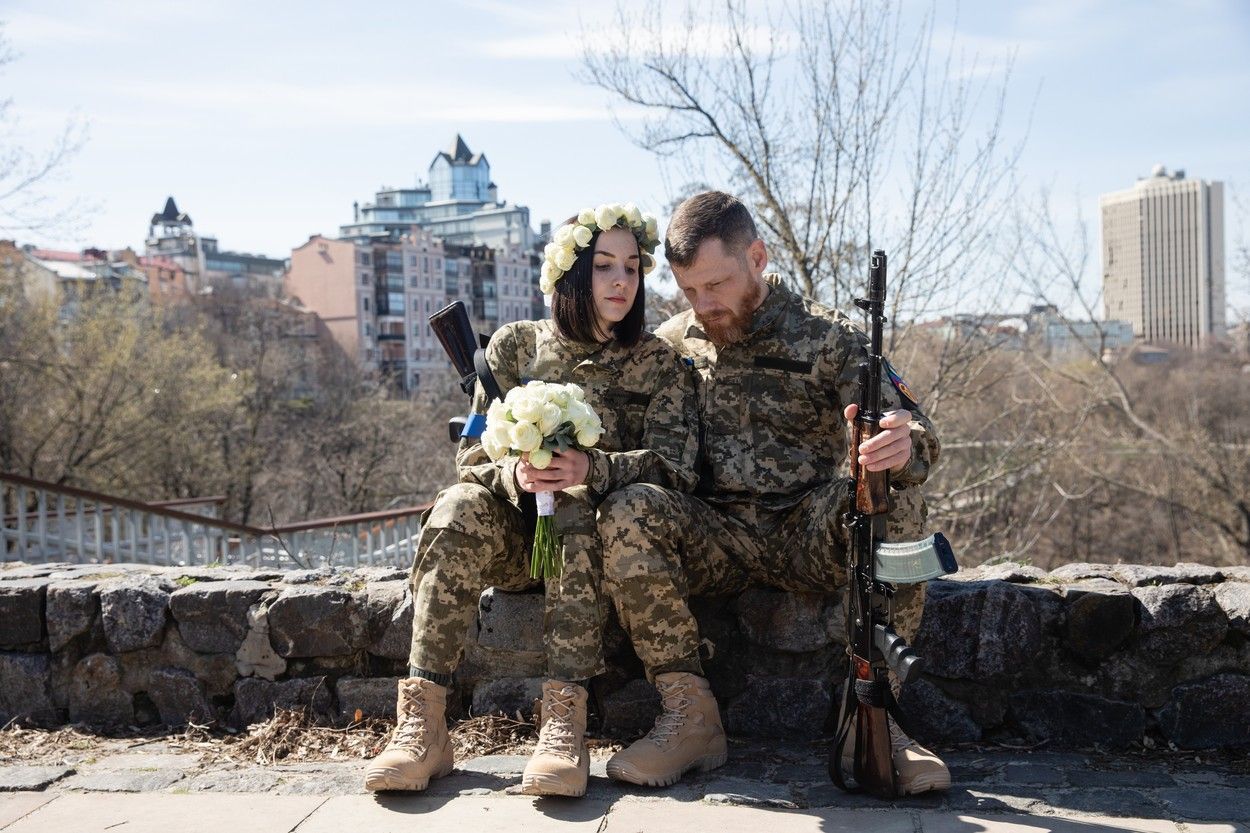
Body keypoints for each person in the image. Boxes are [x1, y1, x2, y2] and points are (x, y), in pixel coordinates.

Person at [597, 191, 950, 795]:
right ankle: (689, 717)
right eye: (688, 291)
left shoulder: (829, 336)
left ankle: (876, 712)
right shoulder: (674, 343)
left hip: (806, 528)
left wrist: (904, 444)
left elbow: (917, 428)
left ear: (756, 257)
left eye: (716, 284)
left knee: (892, 496)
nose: (704, 305)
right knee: (627, 509)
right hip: (713, 532)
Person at [363, 203, 699, 798]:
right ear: (571, 274)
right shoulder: (514, 350)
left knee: (570, 501)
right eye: (602, 267)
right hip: (520, 541)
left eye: (631, 267)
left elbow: (677, 468)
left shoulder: (660, 364)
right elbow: (470, 459)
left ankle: (563, 726)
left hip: (599, 545)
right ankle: (423, 724)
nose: (622, 280)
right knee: (454, 507)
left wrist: (591, 469)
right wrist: (516, 474)